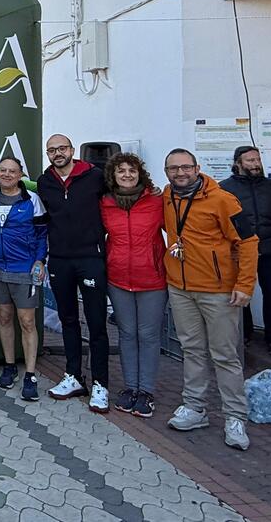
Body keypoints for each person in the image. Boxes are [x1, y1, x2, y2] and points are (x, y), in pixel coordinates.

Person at [163, 148, 258, 450]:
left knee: (225, 355)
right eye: (173, 169)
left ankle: (235, 417)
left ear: (197, 168)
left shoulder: (223, 200)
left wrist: (244, 285)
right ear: (167, 172)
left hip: (217, 291)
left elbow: (247, 241)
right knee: (191, 350)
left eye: (186, 167)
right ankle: (195, 407)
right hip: (180, 287)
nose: (180, 173)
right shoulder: (166, 196)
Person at [36, 134, 110, 413]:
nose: (57, 153)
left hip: (91, 259)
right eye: (52, 150)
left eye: (62, 148)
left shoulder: (95, 176)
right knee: (68, 320)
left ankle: (101, 383)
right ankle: (74, 376)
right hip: (60, 260)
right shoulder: (45, 182)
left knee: (97, 323)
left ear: (72, 150)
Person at [99, 153, 166, 417]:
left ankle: (146, 392)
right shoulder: (105, 203)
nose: (127, 174)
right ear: (113, 176)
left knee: (148, 335)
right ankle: (130, 388)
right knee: (127, 334)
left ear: (140, 173)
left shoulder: (156, 201)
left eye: (132, 170)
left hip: (152, 279)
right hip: (118, 279)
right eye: (121, 171)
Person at [0, 157, 47, 402]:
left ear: (21, 175)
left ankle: (30, 375)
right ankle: (10, 366)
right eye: (3, 171)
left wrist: (40, 259)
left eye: (12, 171)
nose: (7, 175)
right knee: (4, 317)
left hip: (24, 269)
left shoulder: (32, 200)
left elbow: (42, 233)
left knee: (27, 321)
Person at [220, 146, 271, 357]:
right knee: (241, 295)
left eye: (257, 160)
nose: (255, 164)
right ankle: (245, 334)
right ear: (238, 163)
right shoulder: (224, 189)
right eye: (250, 160)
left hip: (270, 250)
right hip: (239, 252)